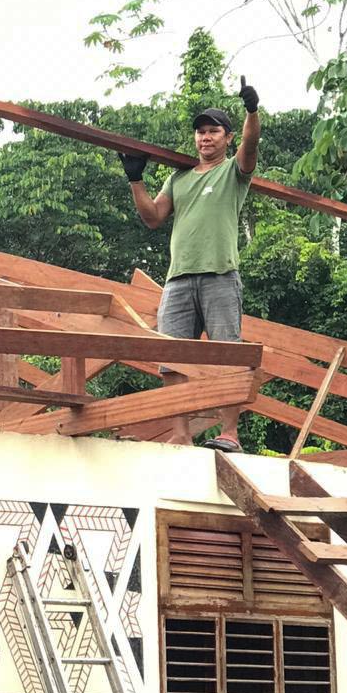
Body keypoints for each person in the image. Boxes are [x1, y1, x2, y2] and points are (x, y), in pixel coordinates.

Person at [121, 77, 261, 450]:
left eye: (213, 131)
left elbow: (251, 145)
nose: (205, 138)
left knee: (226, 355)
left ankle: (229, 433)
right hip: (179, 279)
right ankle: (181, 436)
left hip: (219, 274)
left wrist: (251, 110)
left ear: (226, 137)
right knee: (172, 358)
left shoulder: (233, 171)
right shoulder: (179, 177)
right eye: (200, 132)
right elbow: (153, 217)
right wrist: (135, 179)